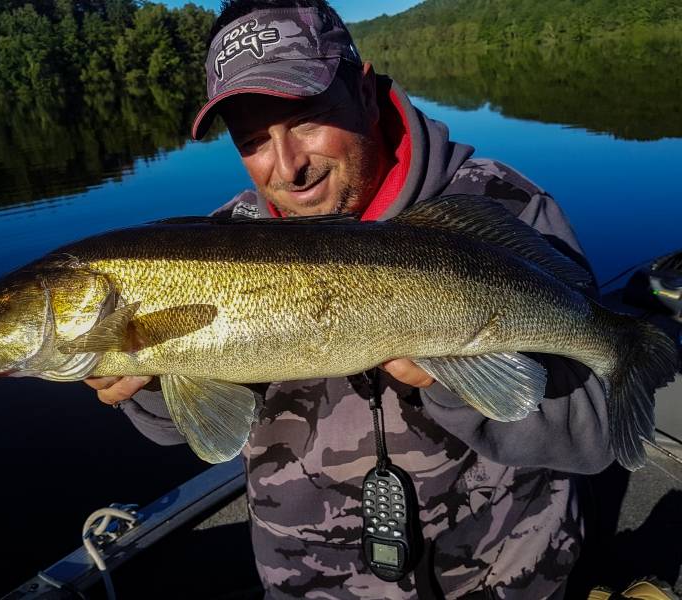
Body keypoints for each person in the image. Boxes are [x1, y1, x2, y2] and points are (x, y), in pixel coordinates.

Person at [85, 1, 617, 598]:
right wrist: (150, 382)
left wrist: (457, 376)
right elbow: (184, 431)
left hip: (507, 568)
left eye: (307, 119)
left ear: (364, 91)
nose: (289, 168)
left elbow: (594, 435)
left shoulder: (504, 210)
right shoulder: (199, 255)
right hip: (310, 578)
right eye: (254, 140)